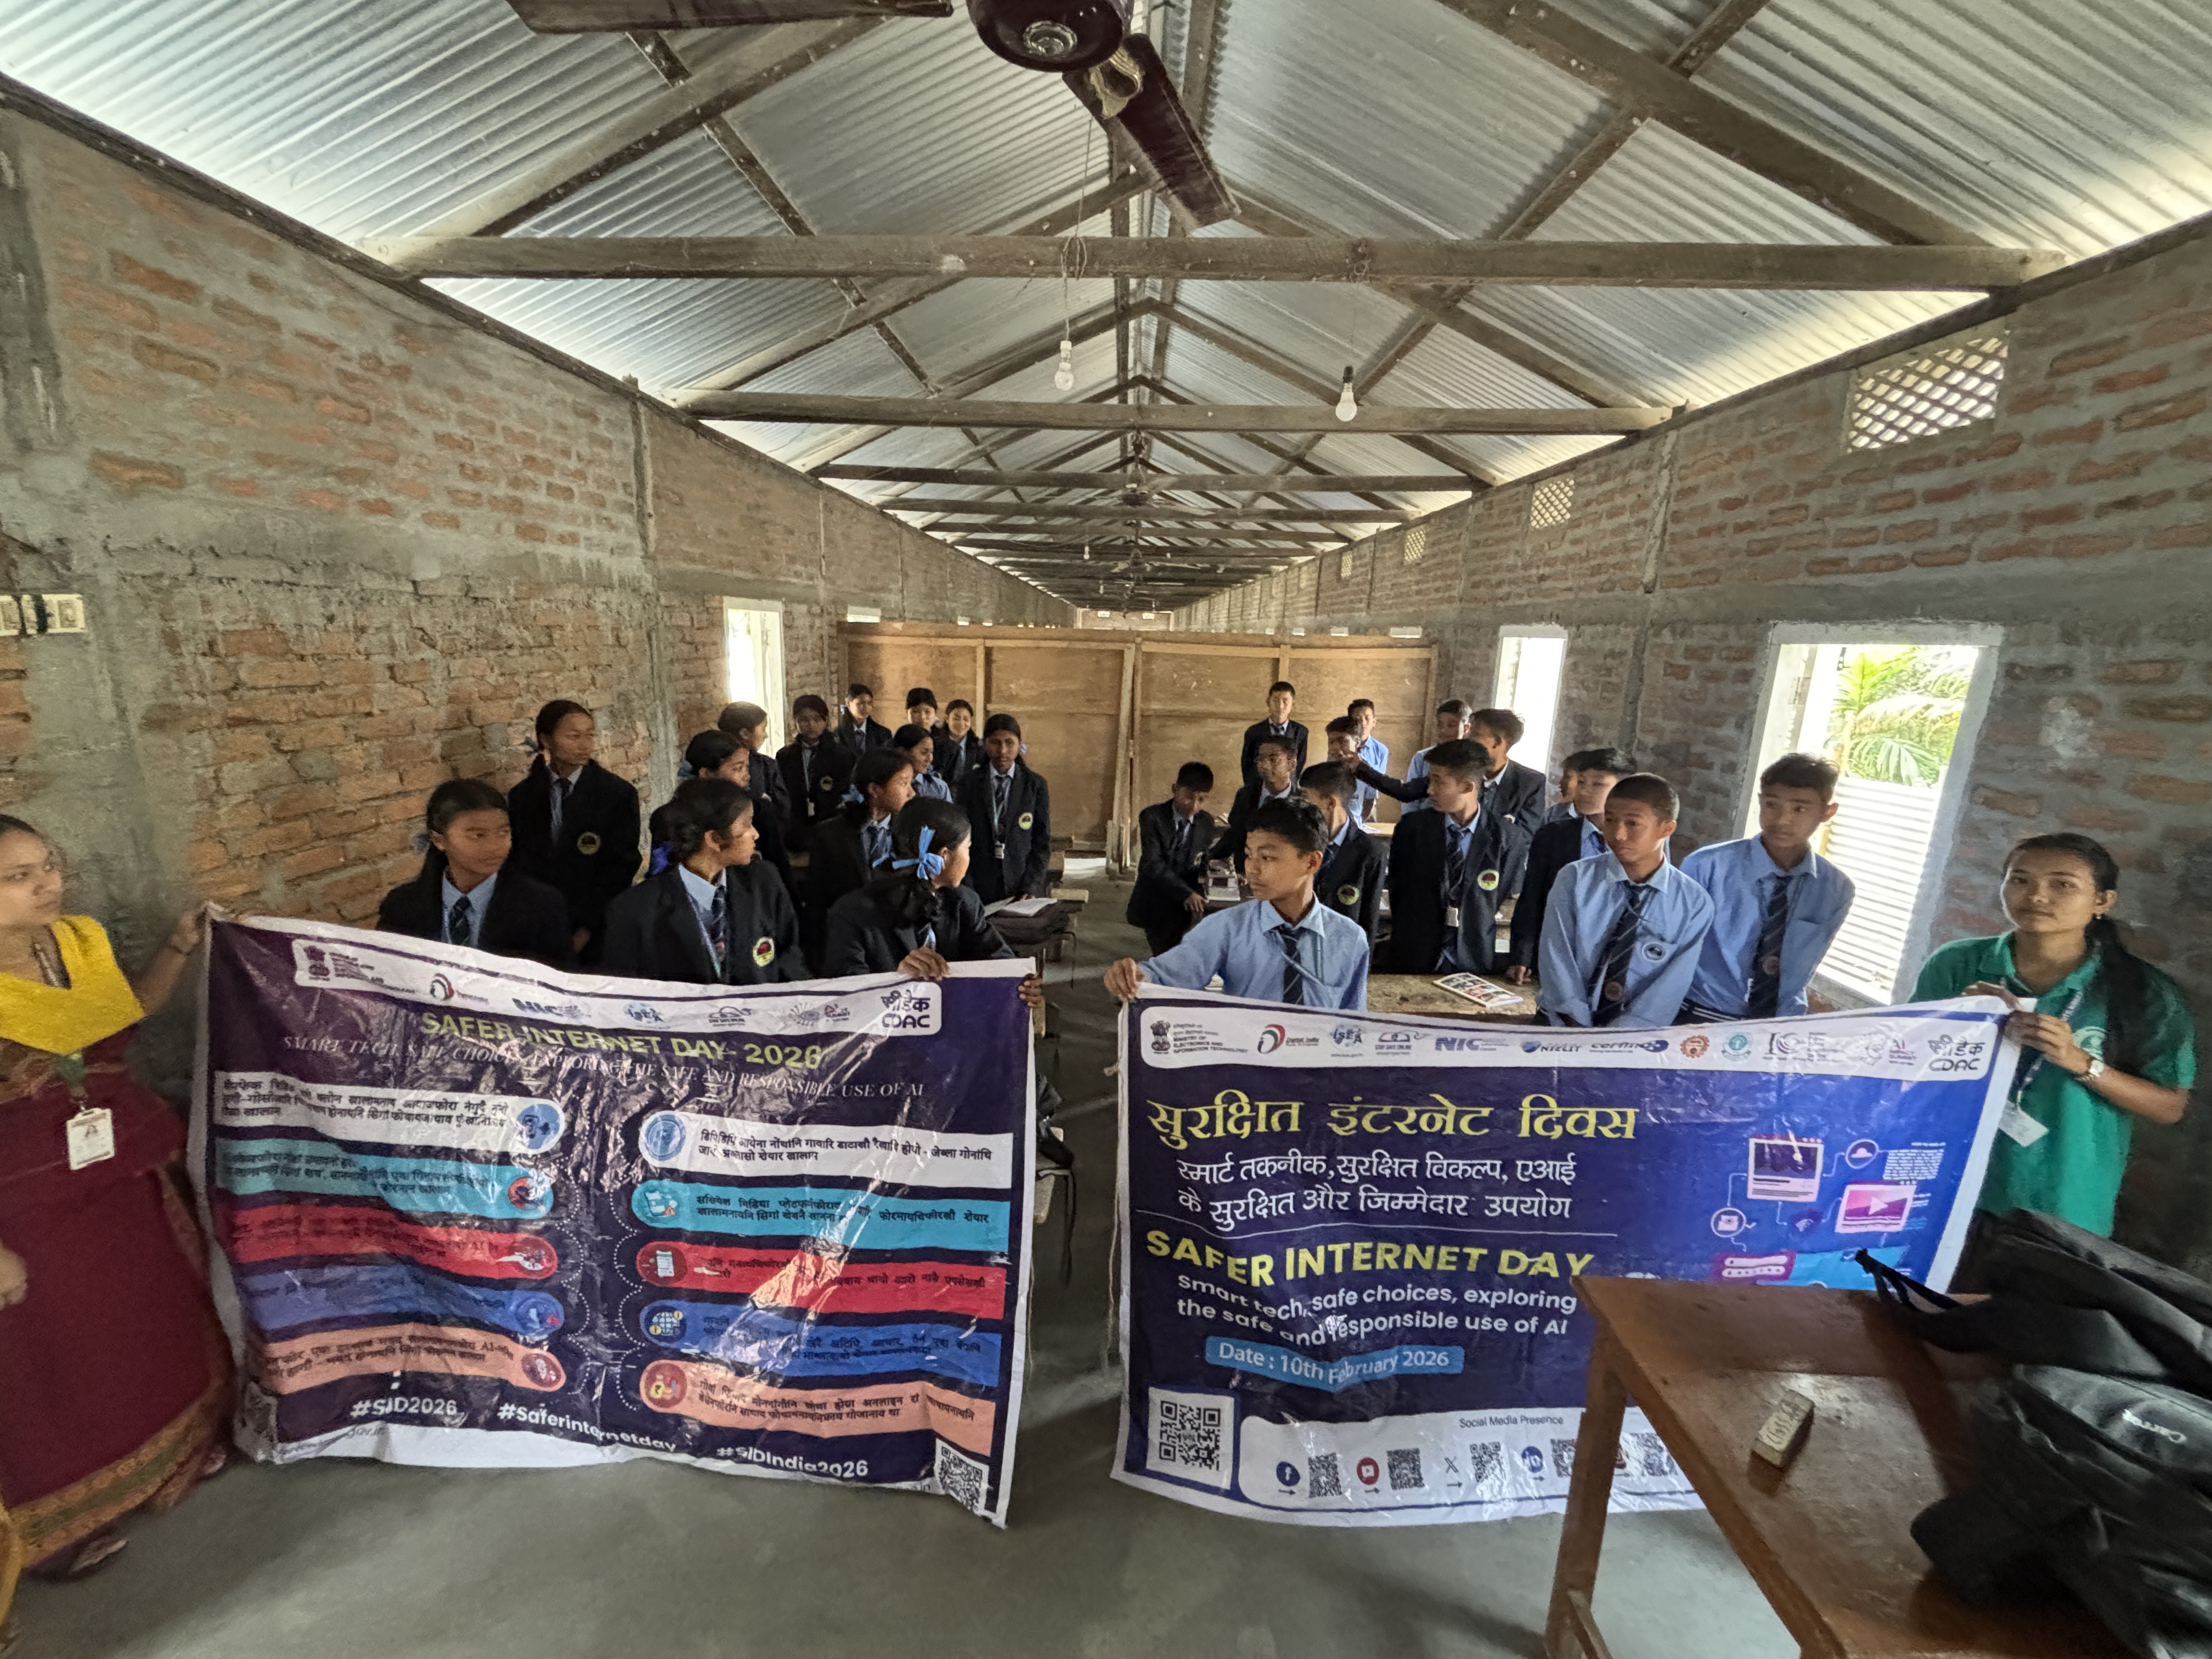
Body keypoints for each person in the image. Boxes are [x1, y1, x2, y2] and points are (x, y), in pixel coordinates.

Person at [0, 818, 228, 1582]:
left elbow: (124, 1012)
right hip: (25, 1204)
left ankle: (172, 1455)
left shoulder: (77, 944)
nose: (48, 883)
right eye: (19, 877)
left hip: (116, 1171)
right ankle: (53, 1527)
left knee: (144, 1320)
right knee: (54, 1357)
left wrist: (178, 948)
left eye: (48, 864)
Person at [1912, 833, 2194, 1240]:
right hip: (1945, 1170)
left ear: (2103, 901)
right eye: (2020, 880)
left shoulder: (2143, 993)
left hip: (2062, 1195)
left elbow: (2169, 1107)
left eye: (2062, 884)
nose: (2037, 896)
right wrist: (1961, 1022)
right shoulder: (1957, 964)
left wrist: (2081, 1062)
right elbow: (1904, 1060)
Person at [1106, 798, 1369, 1010]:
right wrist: (1133, 977)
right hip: (1248, 1056)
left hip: (1318, 1060)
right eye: (1249, 855)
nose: (1252, 869)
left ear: (1311, 862)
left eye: (1267, 858)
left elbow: (1354, 1021)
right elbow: (1168, 974)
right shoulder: (1228, 928)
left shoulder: (1349, 939)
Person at [820, 799, 1042, 1018]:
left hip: (953, 1029)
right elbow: (842, 999)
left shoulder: (963, 903)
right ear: (944, 856)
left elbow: (1001, 963)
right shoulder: (854, 912)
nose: (969, 856)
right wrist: (895, 981)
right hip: (886, 1033)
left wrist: (1023, 986)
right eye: (967, 848)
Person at [1679, 753, 1855, 1022]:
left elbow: (1804, 967)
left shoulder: (1835, 889)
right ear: (1760, 802)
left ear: (1826, 813)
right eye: (1772, 805)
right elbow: (1674, 949)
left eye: (1799, 809)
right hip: (1701, 1015)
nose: (1782, 820)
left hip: (1779, 1023)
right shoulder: (1706, 866)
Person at [1536, 774, 1713, 1028]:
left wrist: (1619, 1038)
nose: (1618, 834)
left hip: (1634, 1037)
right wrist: (1577, 1026)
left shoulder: (1693, 903)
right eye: (1610, 820)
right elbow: (1557, 956)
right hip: (1560, 1024)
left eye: (1633, 824)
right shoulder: (1575, 878)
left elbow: (1670, 987)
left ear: (1667, 829)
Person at [601, 778, 805, 985]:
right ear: (714, 839)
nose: (755, 834)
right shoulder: (634, 911)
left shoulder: (764, 882)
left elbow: (790, 958)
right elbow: (625, 992)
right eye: (746, 825)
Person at [376, 780, 573, 968]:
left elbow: (563, 982)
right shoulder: (402, 907)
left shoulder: (541, 906)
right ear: (439, 840)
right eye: (478, 835)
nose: (494, 847)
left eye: (503, 833)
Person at [505, 699, 641, 964]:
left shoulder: (616, 794)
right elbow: (520, 862)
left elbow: (620, 868)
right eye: (574, 737)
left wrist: (586, 929)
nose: (585, 745)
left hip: (597, 924)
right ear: (546, 739)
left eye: (590, 736)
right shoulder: (523, 796)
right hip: (540, 922)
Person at [1380, 740, 1530, 974]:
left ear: (1468, 787)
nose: (1430, 790)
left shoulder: (1507, 838)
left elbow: (1500, 896)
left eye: (1439, 782)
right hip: (1414, 954)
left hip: (1473, 957)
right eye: (1430, 780)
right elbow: (1398, 889)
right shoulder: (1412, 828)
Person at [1507, 747, 1632, 983]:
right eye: (1581, 782)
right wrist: (1522, 955)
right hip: (1557, 954)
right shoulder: (1553, 835)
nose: (1584, 791)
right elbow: (1532, 899)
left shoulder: (1636, 843)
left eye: (1598, 785)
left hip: (1613, 963)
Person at [806, 747, 917, 964]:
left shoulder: (912, 832)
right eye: (904, 783)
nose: (911, 793)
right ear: (875, 789)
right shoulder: (830, 835)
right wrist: (817, 955)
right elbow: (817, 902)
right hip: (847, 944)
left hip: (898, 948)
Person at [1127, 762, 1217, 955]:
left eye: (1201, 799)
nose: (1194, 806)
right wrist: (1185, 893)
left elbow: (1204, 860)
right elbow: (1152, 864)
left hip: (1188, 905)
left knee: (1186, 952)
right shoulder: (1152, 817)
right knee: (1163, 953)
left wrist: (1218, 871)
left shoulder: (1206, 822)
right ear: (1175, 789)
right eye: (1188, 797)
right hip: (1156, 900)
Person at [962, 713, 1051, 904]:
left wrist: (1032, 886)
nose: (1002, 750)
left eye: (1010, 743)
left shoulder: (1035, 785)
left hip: (1021, 885)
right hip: (979, 883)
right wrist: (967, 888)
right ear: (985, 744)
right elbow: (960, 839)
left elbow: (1041, 842)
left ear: (1020, 745)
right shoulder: (968, 784)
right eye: (995, 743)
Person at [688, 726, 791, 887]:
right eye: (737, 769)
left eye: (746, 767)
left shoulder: (761, 812)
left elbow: (780, 869)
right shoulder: (681, 816)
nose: (747, 776)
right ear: (706, 774)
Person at [1299, 760, 1386, 941]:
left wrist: (1363, 958)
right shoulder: (1299, 841)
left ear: (1330, 803)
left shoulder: (1370, 852)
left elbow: (1369, 920)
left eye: (1306, 798)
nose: (1301, 806)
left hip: (1343, 947)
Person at [1353, 698, 1469, 817]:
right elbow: (1408, 795)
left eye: (1452, 725)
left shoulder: (1472, 762)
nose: (1444, 731)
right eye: (1440, 725)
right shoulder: (1423, 758)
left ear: (1466, 728)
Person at [777, 694, 855, 852]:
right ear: (795, 722)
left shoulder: (842, 755)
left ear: (826, 721)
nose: (811, 725)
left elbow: (847, 792)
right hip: (796, 823)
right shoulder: (785, 756)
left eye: (817, 719)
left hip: (831, 821)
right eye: (803, 720)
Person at [1213, 735, 1301, 872]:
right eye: (1260, 760)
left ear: (1292, 764)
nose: (1264, 766)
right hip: (1246, 873)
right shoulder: (1245, 795)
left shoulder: (1302, 803)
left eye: (1273, 760)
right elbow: (1235, 833)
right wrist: (1211, 857)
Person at [718, 701, 793, 845]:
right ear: (745, 734)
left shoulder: (767, 765)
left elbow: (782, 808)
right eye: (763, 729)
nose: (766, 736)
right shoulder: (765, 766)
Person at [1238, 681, 1307, 789]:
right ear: (1268, 702)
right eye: (1276, 700)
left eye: (1285, 701)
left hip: (1288, 789)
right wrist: (1251, 789)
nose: (1280, 706)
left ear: (1293, 704)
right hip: (1259, 788)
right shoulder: (1254, 732)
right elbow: (1247, 765)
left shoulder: (1301, 732)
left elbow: (1299, 763)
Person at [1323, 716, 1375, 823]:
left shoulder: (1368, 773)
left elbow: (1368, 806)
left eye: (1342, 741)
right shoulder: (1321, 773)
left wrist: (1354, 825)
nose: (1335, 747)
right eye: (1331, 742)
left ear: (1357, 742)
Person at [894, 723, 953, 802]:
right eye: (924, 753)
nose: (929, 759)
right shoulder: (890, 786)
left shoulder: (939, 788)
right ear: (904, 752)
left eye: (931, 752)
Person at [935, 699, 984, 792]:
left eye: (966, 719)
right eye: (956, 719)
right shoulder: (936, 743)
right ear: (947, 719)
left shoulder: (977, 746)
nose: (961, 723)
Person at [837, 682, 893, 753]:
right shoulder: (837, 735)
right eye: (861, 703)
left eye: (869, 703)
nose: (866, 708)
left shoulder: (883, 734)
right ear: (848, 703)